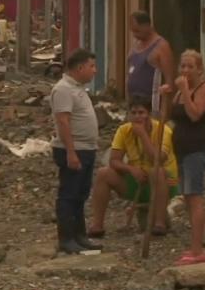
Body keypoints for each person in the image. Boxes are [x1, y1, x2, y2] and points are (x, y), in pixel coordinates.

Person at [88, 96, 179, 238]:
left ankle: (159, 223)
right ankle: (97, 225)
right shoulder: (124, 130)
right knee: (103, 173)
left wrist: (143, 135)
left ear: (148, 114)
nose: (137, 117)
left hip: (164, 182)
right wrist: (131, 169)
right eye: (134, 113)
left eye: (141, 113)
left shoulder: (163, 130)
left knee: (157, 171)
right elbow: (114, 161)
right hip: (138, 179)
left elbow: (158, 160)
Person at [161, 49, 205, 265]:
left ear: (199, 69)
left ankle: (197, 250)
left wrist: (183, 90)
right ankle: (194, 248)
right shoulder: (179, 91)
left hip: (196, 150)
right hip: (181, 151)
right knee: (188, 198)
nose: (185, 70)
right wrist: (167, 96)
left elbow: (194, 115)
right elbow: (168, 116)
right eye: (182, 66)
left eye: (189, 66)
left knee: (195, 198)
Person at [50, 48, 100, 254]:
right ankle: (66, 238)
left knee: (81, 194)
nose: (94, 71)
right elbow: (63, 122)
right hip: (74, 149)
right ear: (80, 68)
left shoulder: (78, 88)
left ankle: (80, 235)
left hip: (86, 148)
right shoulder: (63, 89)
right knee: (69, 194)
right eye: (92, 66)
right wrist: (71, 152)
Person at [127, 10, 175, 113]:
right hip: (134, 105)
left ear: (147, 26)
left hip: (152, 107)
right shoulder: (135, 45)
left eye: (137, 31)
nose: (135, 35)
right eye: (133, 31)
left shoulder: (161, 46)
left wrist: (165, 111)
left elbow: (169, 82)